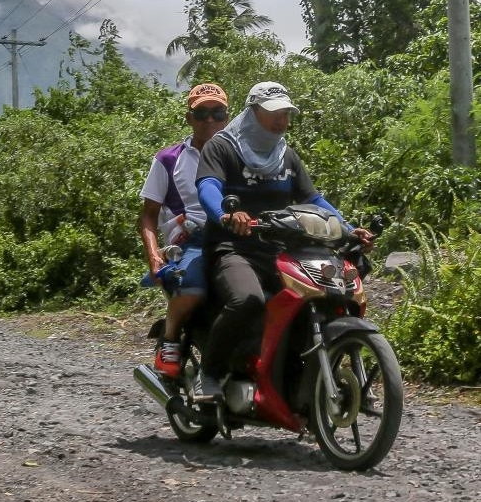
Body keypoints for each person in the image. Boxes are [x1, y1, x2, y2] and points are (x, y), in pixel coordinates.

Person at [193, 81, 373, 400]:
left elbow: (313, 199)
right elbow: (208, 186)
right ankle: (209, 373)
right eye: (275, 113)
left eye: (286, 114)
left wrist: (348, 227)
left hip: (280, 250)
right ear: (253, 113)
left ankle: (294, 380)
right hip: (233, 247)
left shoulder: (286, 156)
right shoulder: (221, 147)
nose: (282, 121)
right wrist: (226, 214)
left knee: (318, 299)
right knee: (248, 300)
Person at [138, 83, 230, 378]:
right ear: (189, 118)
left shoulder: (240, 155)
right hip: (192, 239)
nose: (210, 120)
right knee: (193, 288)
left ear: (227, 117)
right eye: (201, 113)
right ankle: (170, 338)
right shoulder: (168, 159)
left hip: (236, 236)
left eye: (217, 113)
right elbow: (148, 216)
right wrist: (154, 257)